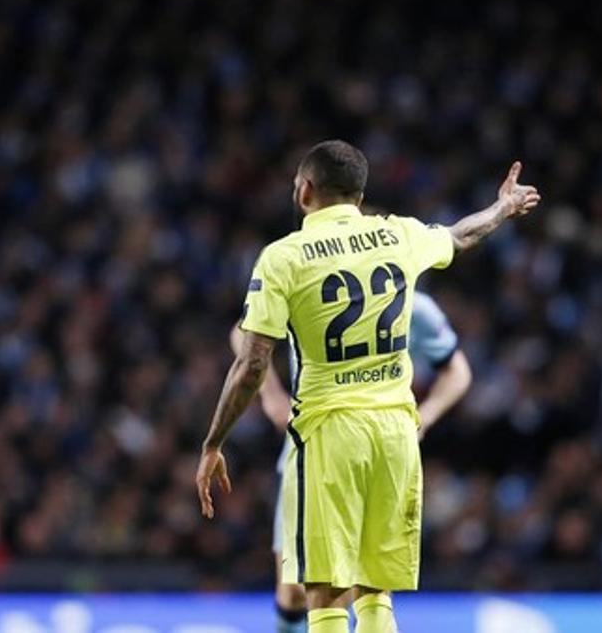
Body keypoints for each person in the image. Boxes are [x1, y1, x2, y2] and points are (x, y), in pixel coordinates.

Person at [197, 140, 539, 633]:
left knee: (327, 594)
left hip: (332, 433)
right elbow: (461, 235)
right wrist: (504, 207)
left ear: (305, 191)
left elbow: (251, 365)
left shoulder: (283, 257)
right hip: (397, 431)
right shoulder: (398, 235)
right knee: (375, 591)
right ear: (359, 195)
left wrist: (213, 442)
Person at [240, 290, 471, 633]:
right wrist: (273, 396)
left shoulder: (413, 305)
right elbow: (244, 332)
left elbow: (457, 369)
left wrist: (425, 417)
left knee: (349, 587)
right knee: (294, 592)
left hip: (373, 453)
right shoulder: (313, 283)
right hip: (309, 450)